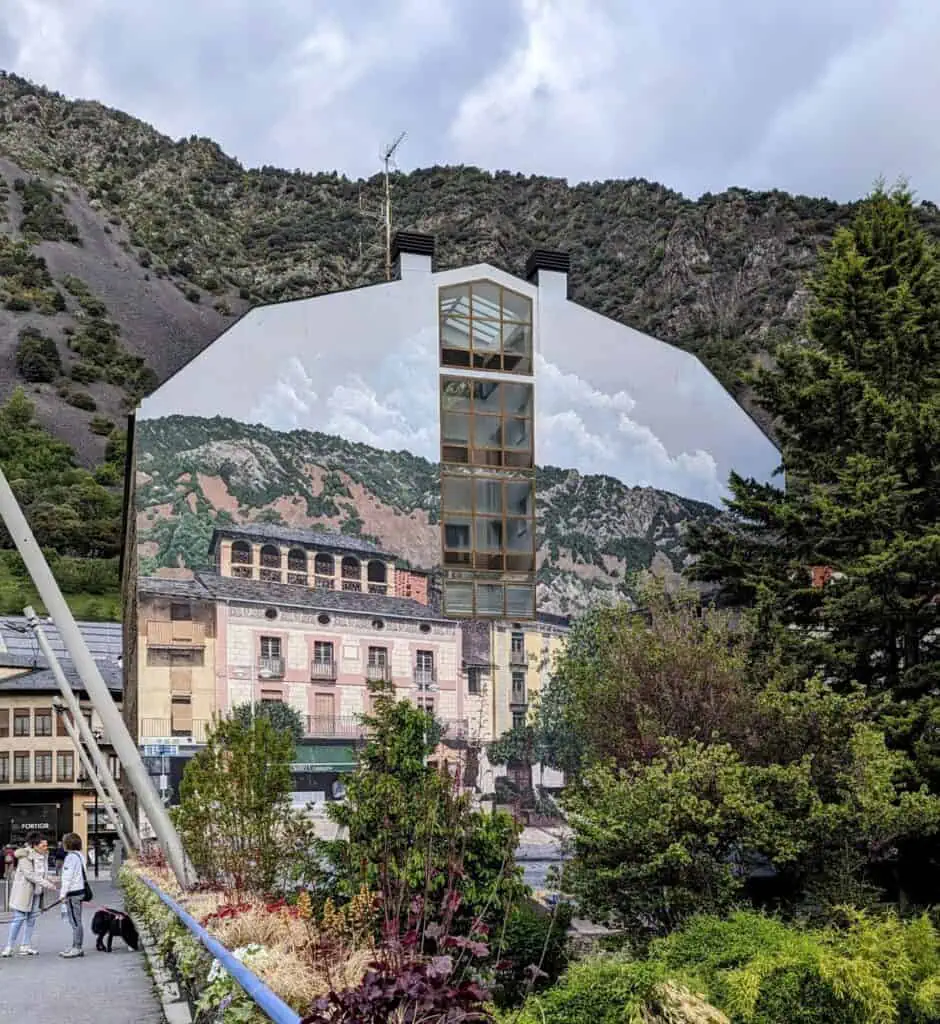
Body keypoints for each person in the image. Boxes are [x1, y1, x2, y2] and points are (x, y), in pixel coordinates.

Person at [1, 832, 56, 956]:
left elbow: (42, 872)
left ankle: (25, 945)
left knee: (31, 919)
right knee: (19, 919)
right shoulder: (25, 856)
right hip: (24, 892)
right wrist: (47, 884)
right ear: (34, 845)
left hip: (37, 892)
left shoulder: (44, 855)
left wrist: (50, 878)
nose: (45, 848)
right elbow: (30, 874)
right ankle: (9, 946)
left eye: (46, 845)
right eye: (43, 845)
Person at [58, 832, 87, 959]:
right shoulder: (80, 855)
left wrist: (62, 894)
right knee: (77, 920)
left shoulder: (70, 857)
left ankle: (77, 947)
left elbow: (67, 878)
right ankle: (76, 946)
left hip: (73, 893)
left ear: (67, 844)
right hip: (80, 891)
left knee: (75, 921)